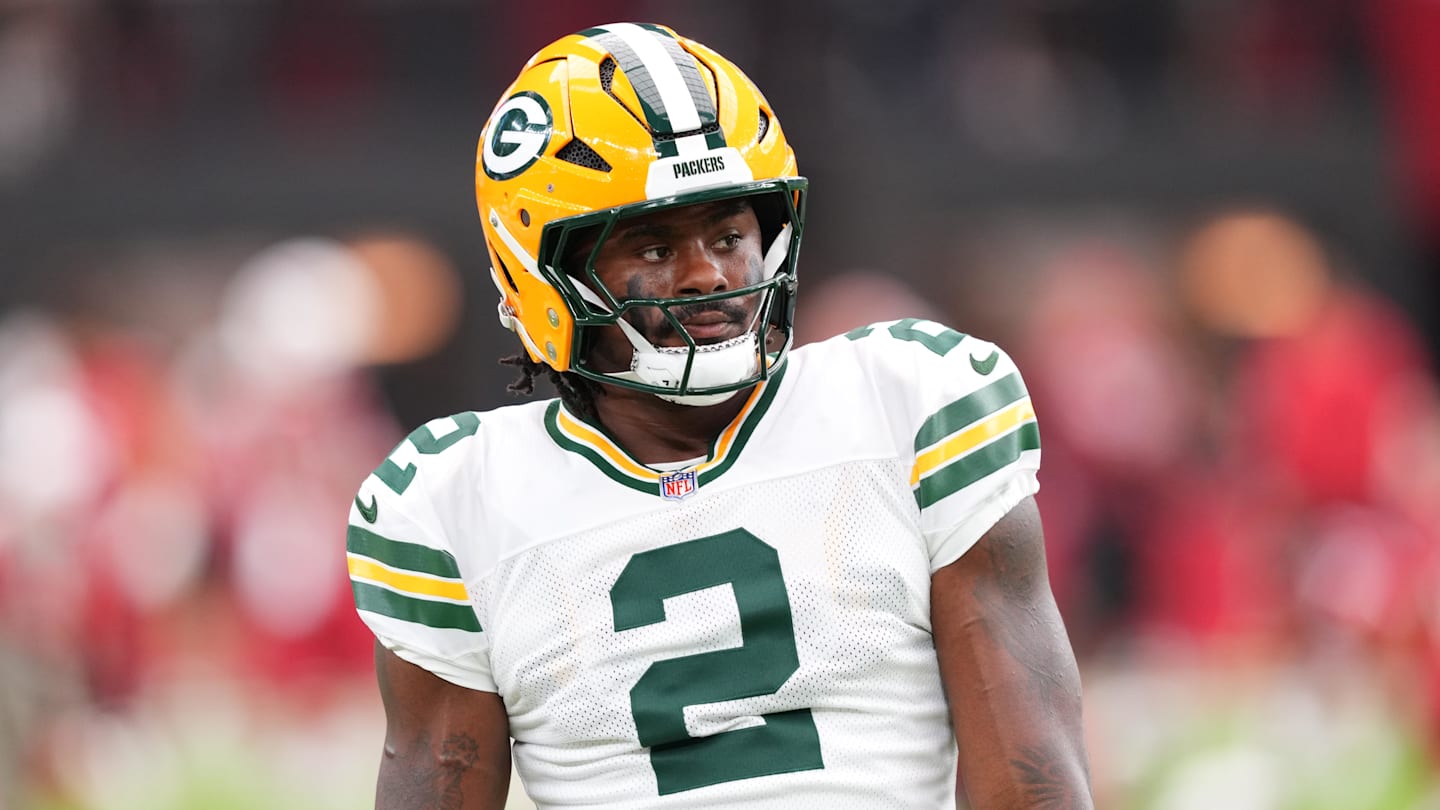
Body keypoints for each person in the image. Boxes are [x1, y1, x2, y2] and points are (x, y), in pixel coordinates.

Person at [346, 22, 1092, 809]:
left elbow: (1034, 781)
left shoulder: (910, 403)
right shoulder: (456, 503)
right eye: (655, 248)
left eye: (729, 233)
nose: (709, 274)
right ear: (543, 274)